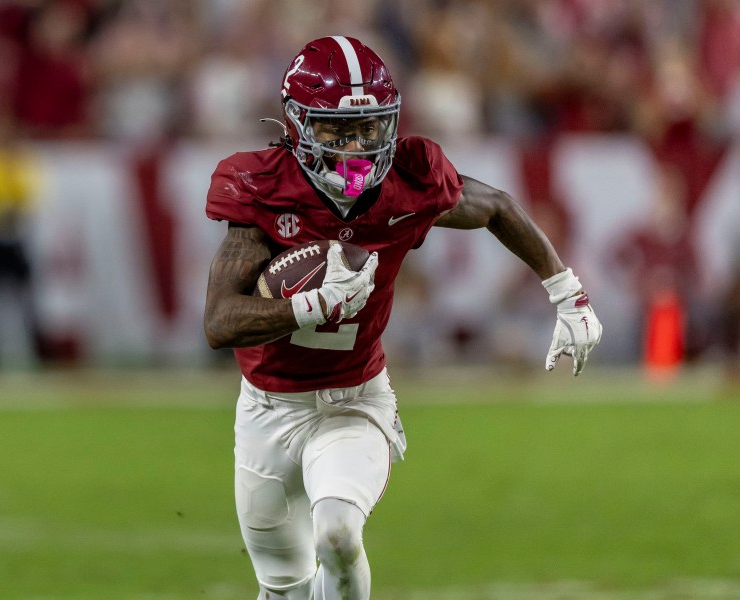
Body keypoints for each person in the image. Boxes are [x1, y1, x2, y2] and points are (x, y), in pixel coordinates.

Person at [203, 36, 602, 600]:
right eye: (337, 131)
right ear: (297, 127)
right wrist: (310, 306)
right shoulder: (264, 188)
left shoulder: (406, 183)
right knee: (284, 591)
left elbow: (497, 208)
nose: (357, 147)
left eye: (369, 128)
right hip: (268, 409)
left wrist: (569, 293)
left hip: (354, 401)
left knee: (338, 536)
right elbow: (218, 321)